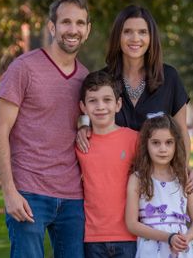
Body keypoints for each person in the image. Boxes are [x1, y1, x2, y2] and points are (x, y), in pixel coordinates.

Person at [0, 0, 91, 258]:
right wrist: (9, 192)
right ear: (52, 27)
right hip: (28, 193)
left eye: (80, 23)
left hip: (73, 197)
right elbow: (0, 130)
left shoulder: (86, 78)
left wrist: (84, 127)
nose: (73, 30)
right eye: (66, 22)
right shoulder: (23, 68)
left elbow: (84, 120)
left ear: (88, 30)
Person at [76, 5, 192, 162]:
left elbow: (181, 131)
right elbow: (85, 110)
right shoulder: (103, 79)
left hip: (156, 178)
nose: (135, 38)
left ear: (151, 37)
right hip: (113, 173)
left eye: (142, 32)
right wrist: (83, 127)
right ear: (118, 36)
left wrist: (184, 170)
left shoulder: (169, 77)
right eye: (127, 31)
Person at [76, 70, 138, 257]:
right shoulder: (80, 143)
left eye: (107, 100)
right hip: (92, 238)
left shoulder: (134, 139)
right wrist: (81, 127)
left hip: (130, 236)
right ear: (83, 107)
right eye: (93, 101)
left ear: (118, 104)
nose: (100, 106)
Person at [125, 114, 193, 258]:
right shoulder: (138, 179)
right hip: (151, 249)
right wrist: (168, 237)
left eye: (169, 142)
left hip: (182, 248)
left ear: (176, 144)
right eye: (155, 143)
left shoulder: (183, 177)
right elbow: (131, 224)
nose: (162, 149)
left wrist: (186, 238)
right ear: (146, 145)